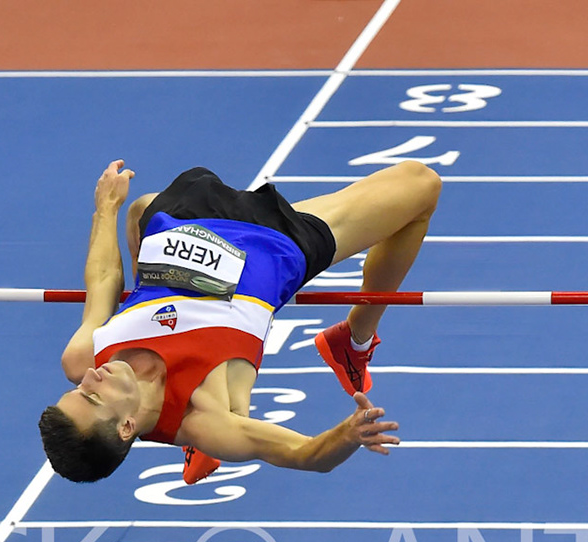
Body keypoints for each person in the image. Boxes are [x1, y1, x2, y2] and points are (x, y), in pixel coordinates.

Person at [39, 158, 441, 484]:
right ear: (127, 427)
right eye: (91, 396)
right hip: (277, 238)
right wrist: (349, 435)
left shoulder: (81, 359)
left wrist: (106, 209)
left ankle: (348, 342)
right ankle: (355, 340)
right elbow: (305, 454)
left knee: (140, 209)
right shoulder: (206, 420)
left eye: (76, 390)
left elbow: (105, 281)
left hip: (182, 217)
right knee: (421, 184)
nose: (87, 379)